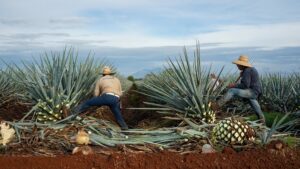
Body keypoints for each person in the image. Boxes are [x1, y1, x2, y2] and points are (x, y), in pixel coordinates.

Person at [215, 55, 265, 124]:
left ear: (242, 65)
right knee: (257, 109)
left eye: (238, 64)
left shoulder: (247, 71)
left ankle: (217, 106)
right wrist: (243, 75)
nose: (237, 66)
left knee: (232, 91)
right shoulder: (249, 70)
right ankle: (263, 124)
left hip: (252, 92)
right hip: (255, 92)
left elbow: (245, 85)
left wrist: (234, 85)